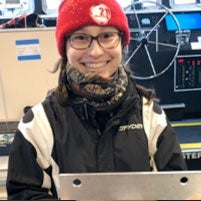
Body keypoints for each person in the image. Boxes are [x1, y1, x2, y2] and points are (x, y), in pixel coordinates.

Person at [6, 0, 187, 199]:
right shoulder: (37, 125)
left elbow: (176, 189)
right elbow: (24, 194)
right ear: (65, 46)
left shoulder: (151, 117)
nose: (95, 52)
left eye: (107, 36)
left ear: (122, 43)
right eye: (81, 37)